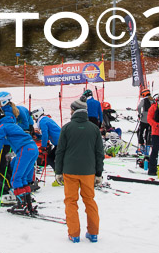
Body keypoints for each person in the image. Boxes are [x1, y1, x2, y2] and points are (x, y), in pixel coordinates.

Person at [55, 99, 104, 244]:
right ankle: (93, 233)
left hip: (69, 171)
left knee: (71, 201)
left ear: (74, 110)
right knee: (89, 200)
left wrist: (58, 171)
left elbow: (60, 151)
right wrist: (99, 173)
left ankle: (74, 234)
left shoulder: (67, 128)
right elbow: (99, 153)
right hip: (89, 171)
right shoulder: (94, 128)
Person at [0, 92, 39, 213]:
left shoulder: (3, 125)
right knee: (23, 178)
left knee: (16, 179)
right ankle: (27, 204)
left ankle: (22, 204)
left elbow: (0, 142)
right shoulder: (11, 120)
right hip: (32, 148)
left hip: (25, 149)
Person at [31, 106, 61, 171]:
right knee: (52, 158)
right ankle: (59, 173)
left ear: (36, 115)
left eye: (33, 117)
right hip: (60, 142)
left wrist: (43, 146)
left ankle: (59, 174)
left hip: (61, 143)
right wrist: (38, 136)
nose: (33, 119)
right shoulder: (45, 119)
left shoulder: (42, 121)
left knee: (50, 158)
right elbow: (45, 134)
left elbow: (45, 134)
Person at [147, 92, 159, 176]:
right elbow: (149, 119)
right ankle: (152, 169)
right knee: (155, 150)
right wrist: (157, 125)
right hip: (155, 132)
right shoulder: (153, 107)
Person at [137, 88, 153, 155]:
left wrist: (140, 114)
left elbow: (139, 107)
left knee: (140, 132)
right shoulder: (153, 100)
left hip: (144, 119)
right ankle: (148, 145)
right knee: (148, 133)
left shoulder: (144, 100)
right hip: (151, 119)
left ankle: (141, 144)